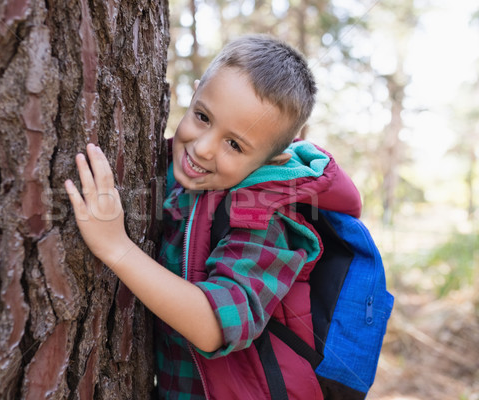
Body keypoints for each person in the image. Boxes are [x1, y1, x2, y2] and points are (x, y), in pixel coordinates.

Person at [65, 35, 361, 399]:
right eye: (203, 117)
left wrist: (116, 247)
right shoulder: (174, 172)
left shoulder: (269, 222)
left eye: (234, 144)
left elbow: (217, 325)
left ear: (273, 159)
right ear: (194, 94)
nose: (203, 148)